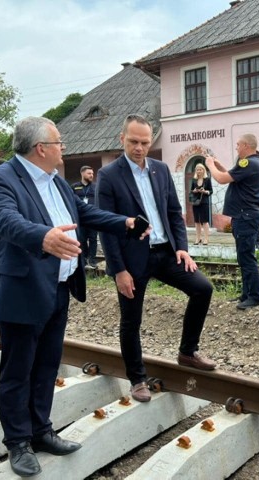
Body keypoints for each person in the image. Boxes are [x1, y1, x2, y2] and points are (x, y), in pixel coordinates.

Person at [0, 116, 146, 477]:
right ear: (41, 148)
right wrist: (43, 237)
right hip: (21, 291)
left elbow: (84, 213)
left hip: (59, 289)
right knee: (18, 370)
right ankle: (17, 442)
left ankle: (41, 431)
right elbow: (3, 220)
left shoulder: (57, 182)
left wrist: (125, 223)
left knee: (47, 365)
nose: (63, 149)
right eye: (59, 143)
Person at [97, 114, 216, 403]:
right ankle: (137, 379)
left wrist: (182, 247)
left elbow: (174, 212)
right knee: (131, 320)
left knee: (203, 289)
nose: (139, 147)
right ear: (122, 138)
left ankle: (187, 352)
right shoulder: (109, 175)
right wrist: (119, 271)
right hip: (132, 260)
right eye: (134, 141)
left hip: (165, 252)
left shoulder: (160, 170)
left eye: (145, 142)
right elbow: (106, 227)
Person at [205, 134, 259, 310]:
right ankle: (246, 294)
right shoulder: (252, 163)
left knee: (247, 258)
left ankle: (255, 296)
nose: (236, 147)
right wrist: (218, 165)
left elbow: (222, 179)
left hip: (245, 217)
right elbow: (230, 173)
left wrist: (209, 166)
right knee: (243, 257)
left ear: (246, 145)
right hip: (243, 217)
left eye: (238, 145)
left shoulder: (249, 162)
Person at [71, 165, 99, 268]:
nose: (91, 175)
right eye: (89, 173)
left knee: (93, 239)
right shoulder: (74, 187)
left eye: (92, 173)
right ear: (82, 173)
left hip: (93, 217)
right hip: (80, 217)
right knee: (81, 239)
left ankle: (92, 259)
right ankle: (83, 258)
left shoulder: (96, 187)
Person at [190, 163, 213, 245]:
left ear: (203, 170)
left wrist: (204, 191)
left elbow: (210, 191)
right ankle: (198, 238)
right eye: (197, 169)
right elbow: (191, 191)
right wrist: (195, 191)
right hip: (196, 202)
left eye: (200, 169)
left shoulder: (207, 180)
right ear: (196, 171)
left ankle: (206, 238)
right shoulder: (194, 180)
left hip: (204, 202)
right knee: (197, 221)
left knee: (205, 221)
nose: (199, 171)